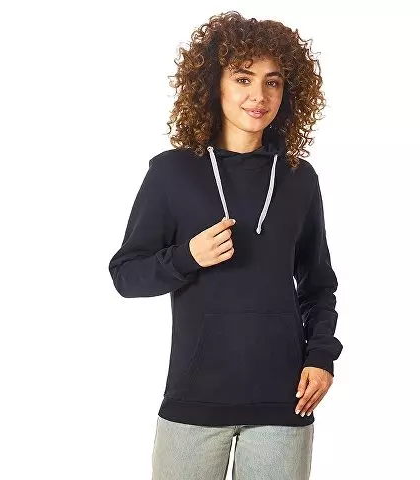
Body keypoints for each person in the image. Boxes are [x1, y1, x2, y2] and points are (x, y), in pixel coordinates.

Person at [108, 10, 343, 480]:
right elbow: (126, 275)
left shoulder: (299, 178)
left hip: (284, 401)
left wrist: (321, 357)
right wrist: (187, 257)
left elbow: (318, 284)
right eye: (243, 78)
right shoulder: (172, 172)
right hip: (194, 399)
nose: (259, 95)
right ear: (213, 85)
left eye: (273, 82)